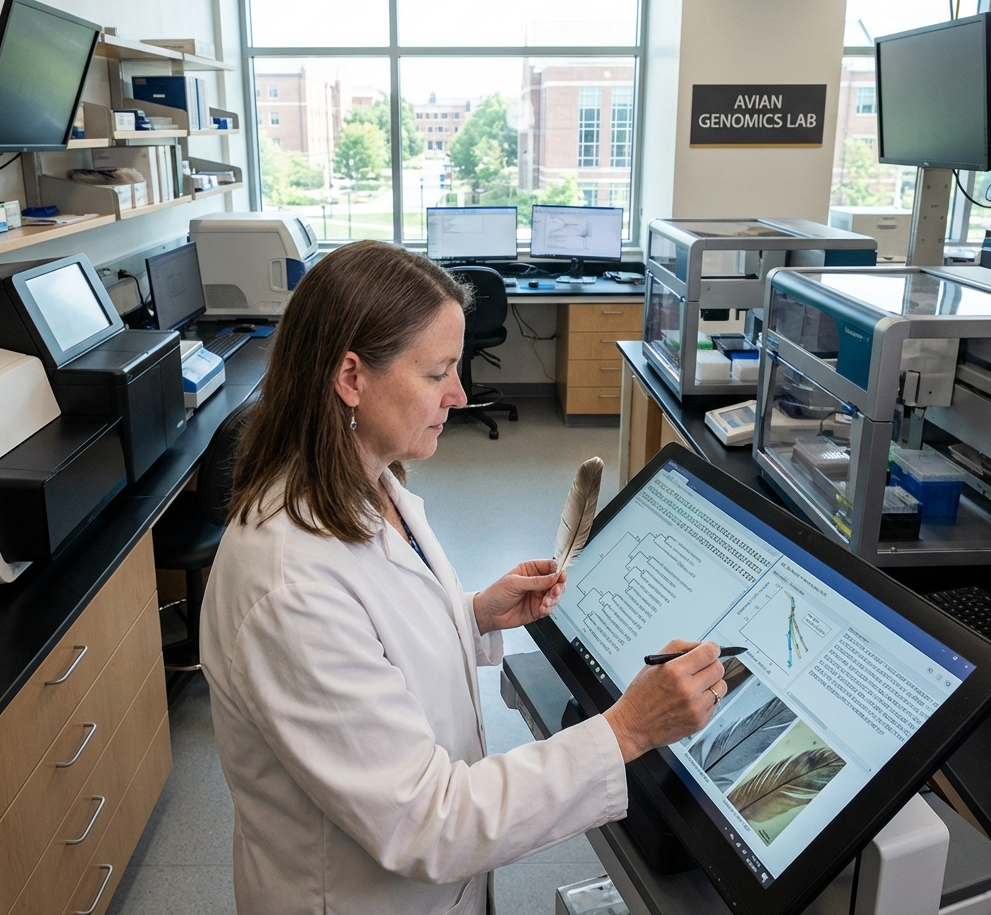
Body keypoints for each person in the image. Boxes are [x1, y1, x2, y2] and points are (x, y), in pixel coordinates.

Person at [200, 240, 726, 915]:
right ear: (351, 378)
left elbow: (377, 631)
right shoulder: (288, 584)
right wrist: (629, 729)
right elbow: (428, 821)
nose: (461, 392)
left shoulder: (369, 484)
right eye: (437, 372)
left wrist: (472, 611)